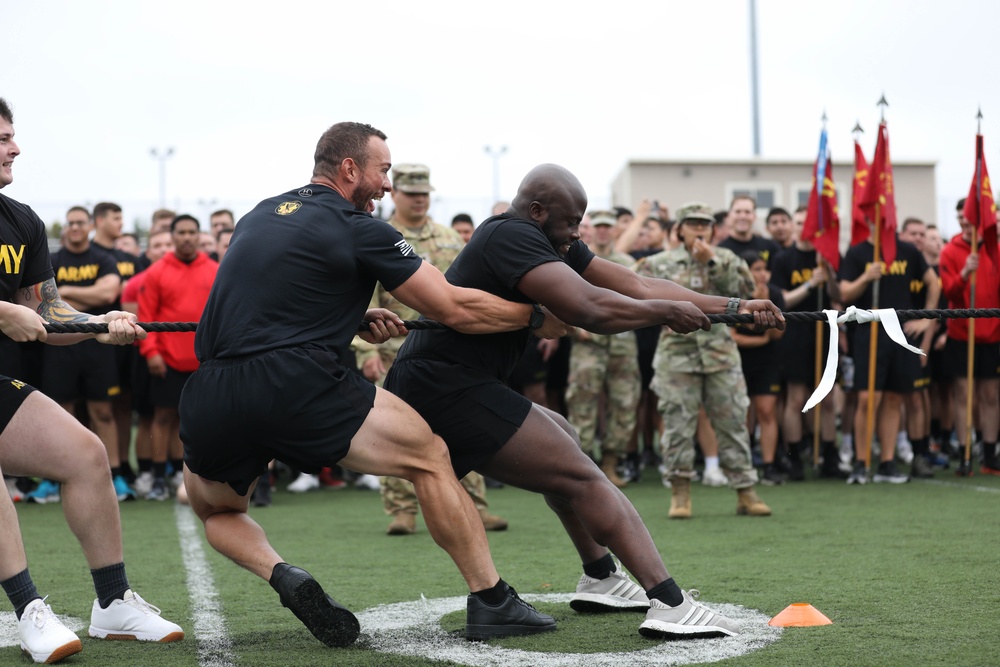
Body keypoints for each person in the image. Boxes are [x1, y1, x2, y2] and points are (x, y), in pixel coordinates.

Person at [178, 121, 565, 647]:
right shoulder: (360, 227)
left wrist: (344, 317)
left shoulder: (259, 215)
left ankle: (283, 574)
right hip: (296, 382)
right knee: (429, 456)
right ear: (349, 169)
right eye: (383, 172)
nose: (388, 186)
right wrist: (537, 316)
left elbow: (270, 297)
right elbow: (453, 307)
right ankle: (492, 600)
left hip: (212, 392)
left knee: (216, 511)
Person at [385, 167, 783, 640]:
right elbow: (587, 309)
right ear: (536, 212)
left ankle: (600, 575)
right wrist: (662, 315)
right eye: (571, 221)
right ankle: (670, 603)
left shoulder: (553, 242)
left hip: (457, 381)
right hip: (440, 386)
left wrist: (733, 307)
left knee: (566, 441)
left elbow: (638, 285)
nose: (577, 232)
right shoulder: (510, 236)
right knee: (581, 474)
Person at [0, 96, 183, 664]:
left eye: (14, 135)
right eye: (3, 137)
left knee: (86, 452)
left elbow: (48, 314)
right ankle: (29, 607)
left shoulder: (21, 220)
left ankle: (112, 602)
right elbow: (14, 315)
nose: (16, 147)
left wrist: (100, 325)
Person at [352, 163, 507, 535]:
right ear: (396, 193)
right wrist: (366, 351)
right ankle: (402, 510)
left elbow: (468, 290)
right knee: (392, 431)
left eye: (425, 194)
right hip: (393, 347)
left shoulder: (450, 239)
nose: (420, 200)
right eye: (412, 194)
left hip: (445, 348)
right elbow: (362, 298)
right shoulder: (378, 234)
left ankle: (475, 505)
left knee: (461, 423)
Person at [640, 203, 773, 518]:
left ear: (714, 230)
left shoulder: (728, 259)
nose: (699, 229)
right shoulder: (657, 263)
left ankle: (746, 492)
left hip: (720, 355)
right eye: (692, 223)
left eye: (705, 224)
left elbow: (745, 294)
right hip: (675, 356)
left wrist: (711, 261)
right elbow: (635, 294)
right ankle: (680, 494)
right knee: (676, 424)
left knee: (732, 421)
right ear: (680, 229)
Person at [36, 205, 137, 503]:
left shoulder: (103, 258)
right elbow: (42, 298)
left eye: (80, 222)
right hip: (59, 344)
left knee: (102, 412)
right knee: (61, 413)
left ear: (90, 225)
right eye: (70, 223)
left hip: (97, 344)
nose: (75, 227)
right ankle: (55, 478)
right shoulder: (52, 259)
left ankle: (115, 475)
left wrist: (64, 290)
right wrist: (75, 294)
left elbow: (107, 295)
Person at [838, 220, 940, 483]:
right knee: (866, 399)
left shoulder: (907, 251)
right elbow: (844, 292)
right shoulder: (857, 252)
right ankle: (861, 463)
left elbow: (934, 283)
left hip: (900, 333)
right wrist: (866, 277)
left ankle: (886, 462)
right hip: (868, 332)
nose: (882, 223)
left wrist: (926, 319)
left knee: (895, 399)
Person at [138, 215, 218, 501]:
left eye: (191, 232)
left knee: (204, 421)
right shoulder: (156, 272)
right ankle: (160, 477)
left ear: (199, 236)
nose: (186, 237)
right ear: (172, 236)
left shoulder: (215, 270)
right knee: (163, 419)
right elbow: (146, 317)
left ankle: (205, 477)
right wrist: (152, 353)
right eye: (181, 232)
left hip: (205, 362)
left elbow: (221, 316)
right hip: (168, 360)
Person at [565, 210, 641, 487]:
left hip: (622, 344)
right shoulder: (573, 261)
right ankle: (581, 465)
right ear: (590, 230)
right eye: (598, 227)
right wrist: (575, 326)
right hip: (588, 345)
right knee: (582, 401)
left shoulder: (627, 264)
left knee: (624, 403)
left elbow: (641, 299)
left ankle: (611, 462)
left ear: (615, 230)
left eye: (608, 227)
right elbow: (561, 297)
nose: (603, 231)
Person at [769, 205, 845, 480]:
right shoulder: (782, 259)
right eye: (800, 222)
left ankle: (829, 456)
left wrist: (830, 276)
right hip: (795, 334)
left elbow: (840, 296)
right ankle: (794, 458)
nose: (805, 227)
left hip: (825, 333)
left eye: (809, 222)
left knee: (825, 400)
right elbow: (782, 300)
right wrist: (811, 284)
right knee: (796, 398)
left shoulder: (827, 256)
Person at [938, 209, 1000, 474]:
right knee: (962, 394)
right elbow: (949, 291)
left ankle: (989, 454)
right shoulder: (950, 251)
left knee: (990, 395)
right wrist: (964, 273)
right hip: (962, 334)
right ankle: (965, 454)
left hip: (993, 333)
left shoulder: (996, 248)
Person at [731, 251, 786, 484]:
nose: (762, 274)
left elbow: (776, 335)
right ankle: (744, 466)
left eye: (765, 268)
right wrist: (759, 338)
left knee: (766, 412)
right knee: (742, 415)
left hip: (767, 362)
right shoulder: (734, 295)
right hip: (738, 362)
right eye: (757, 269)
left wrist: (765, 310)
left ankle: (769, 465)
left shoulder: (775, 294)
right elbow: (732, 336)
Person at [718, 195, 781, 269]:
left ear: (754, 216)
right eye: (738, 212)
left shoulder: (770, 247)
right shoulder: (721, 250)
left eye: (747, 212)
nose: (742, 216)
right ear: (730, 215)